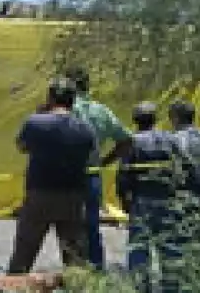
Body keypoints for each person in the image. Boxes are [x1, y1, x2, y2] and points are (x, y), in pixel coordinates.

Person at [7, 77, 95, 274]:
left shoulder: (35, 122)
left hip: (39, 194)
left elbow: (22, 147)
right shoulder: (85, 128)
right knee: (75, 258)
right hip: (72, 197)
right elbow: (89, 155)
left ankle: (12, 286)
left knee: (24, 253)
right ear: (73, 100)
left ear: (50, 98)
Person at [64, 65, 131, 270]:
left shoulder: (62, 111)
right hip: (92, 174)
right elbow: (126, 140)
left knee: (67, 225)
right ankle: (96, 270)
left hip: (64, 175)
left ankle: (73, 270)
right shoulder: (101, 111)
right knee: (91, 225)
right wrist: (104, 161)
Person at [118, 102, 184, 292]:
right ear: (155, 119)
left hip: (142, 200)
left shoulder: (133, 141)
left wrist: (124, 199)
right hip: (168, 199)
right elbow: (183, 166)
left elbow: (124, 174)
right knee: (170, 246)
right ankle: (172, 286)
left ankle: (141, 287)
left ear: (135, 120)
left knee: (139, 248)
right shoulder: (170, 139)